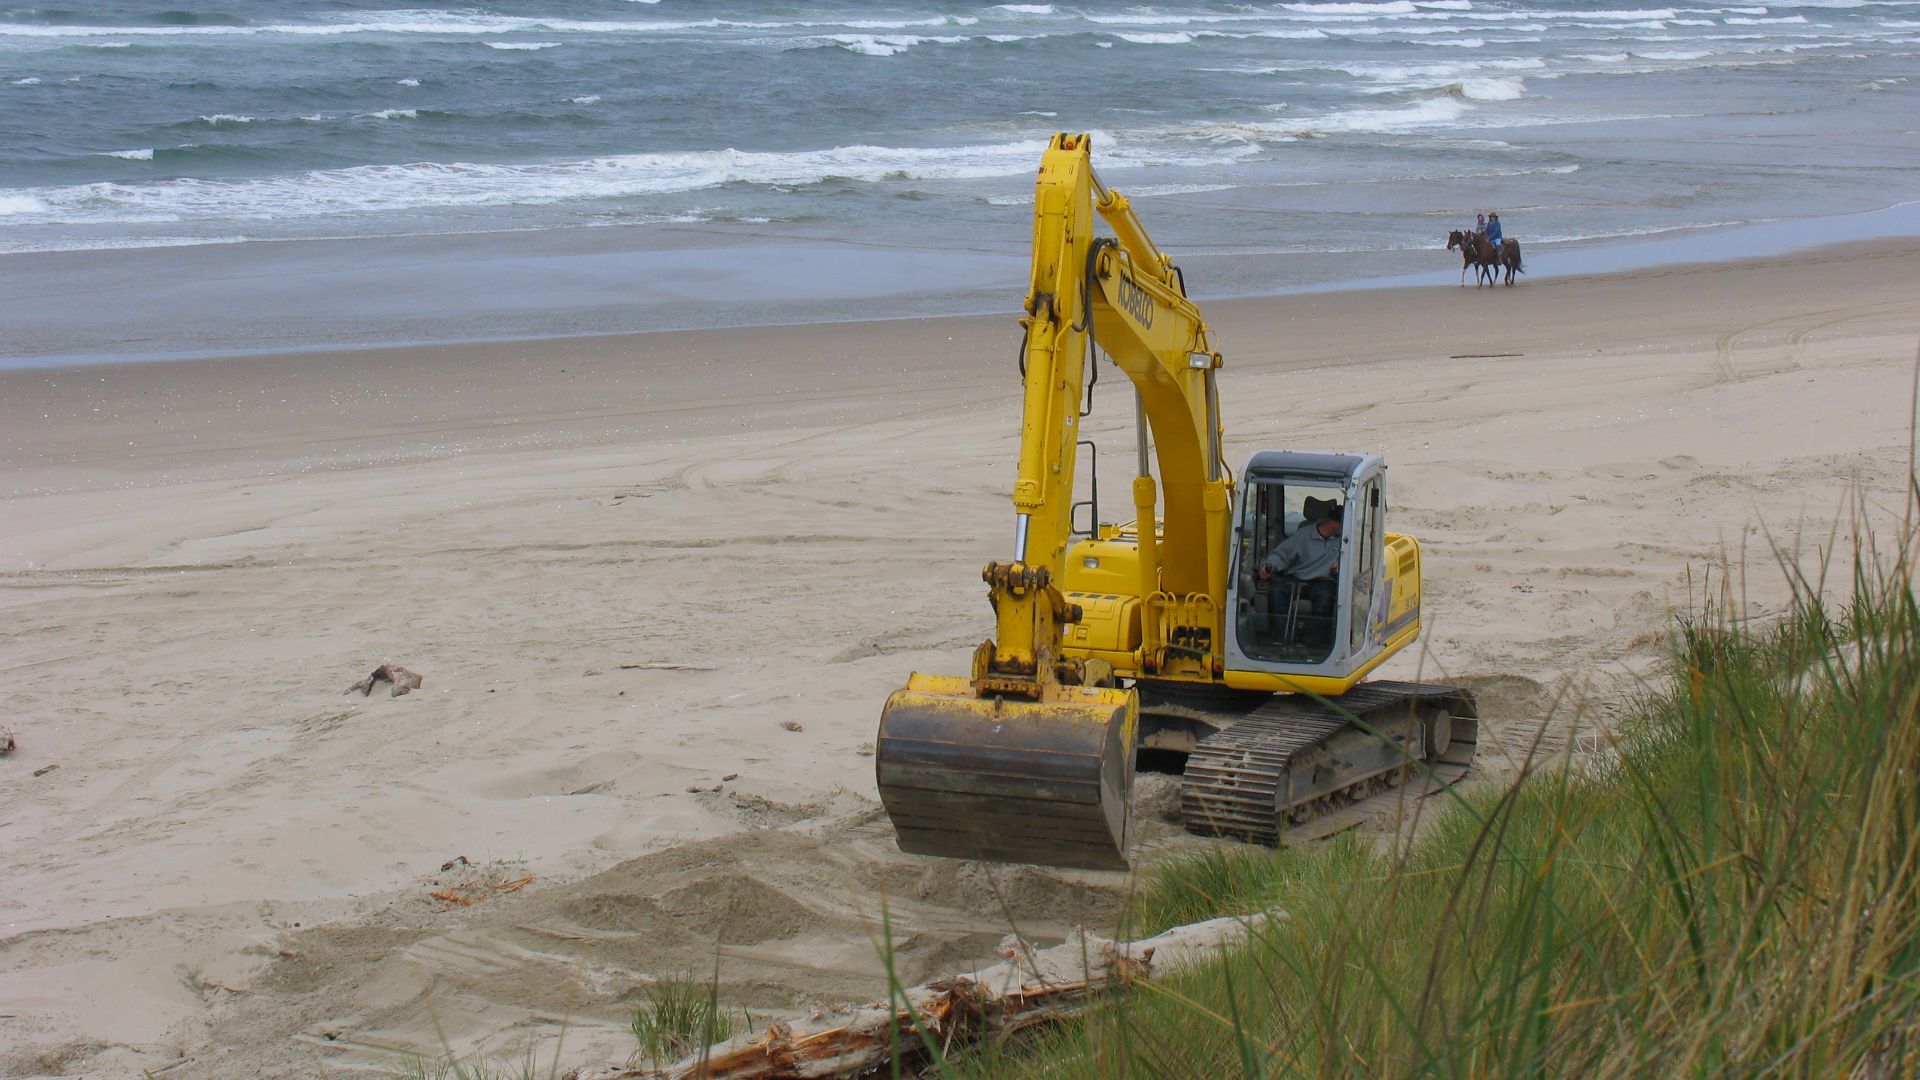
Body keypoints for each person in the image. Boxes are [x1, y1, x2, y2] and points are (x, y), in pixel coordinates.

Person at [1257, 497, 1343, 639]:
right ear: (1336, 524)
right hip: (1297, 577)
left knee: (1325, 598)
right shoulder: (1304, 534)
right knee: (1277, 592)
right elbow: (1283, 554)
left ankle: (1313, 641)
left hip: (1323, 581)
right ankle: (1281, 638)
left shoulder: (1342, 540)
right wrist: (1269, 566)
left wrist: (1340, 564)